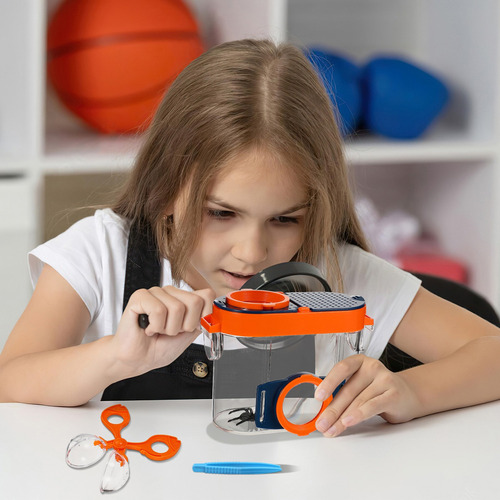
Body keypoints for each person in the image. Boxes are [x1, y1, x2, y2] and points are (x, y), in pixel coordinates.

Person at [1, 39, 500, 438]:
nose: (251, 252)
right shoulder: (101, 252)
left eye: (285, 219)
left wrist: (409, 392)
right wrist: (118, 357)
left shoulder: (336, 273)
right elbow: (9, 380)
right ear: (166, 187)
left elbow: (491, 351)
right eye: (221, 213)